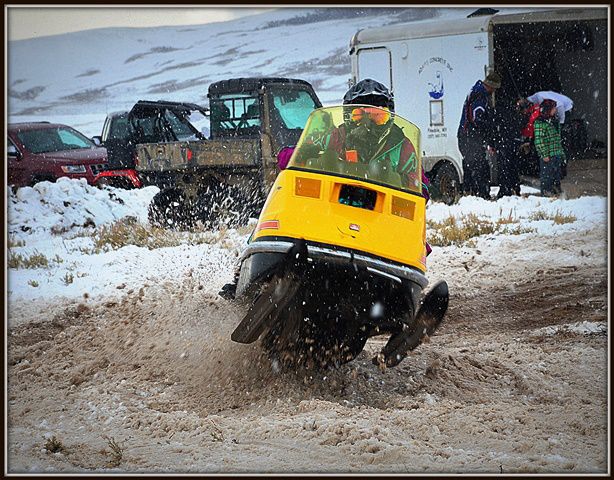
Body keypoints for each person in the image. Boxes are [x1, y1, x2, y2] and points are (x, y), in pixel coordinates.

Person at [457, 71, 502, 200]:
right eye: (494, 89)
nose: (494, 92)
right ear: (490, 86)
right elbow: (477, 119)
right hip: (470, 136)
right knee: (480, 166)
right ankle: (481, 196)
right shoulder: (480, 96)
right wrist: (488, 130)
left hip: (465, 135)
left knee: (470, 165)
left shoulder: (475, 91)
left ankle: (470, 194)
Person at [534, 99, 565, 196]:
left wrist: (562, 153)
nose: (555, 109)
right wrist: (544, 154)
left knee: (557, 176)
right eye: (553, 107)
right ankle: (547, 194)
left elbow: (557, 139)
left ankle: (556, 192)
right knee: (547, 176)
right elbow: (539, 141)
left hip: (556, 153)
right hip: (548, 155)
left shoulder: (554, 121)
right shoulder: (540, 122)